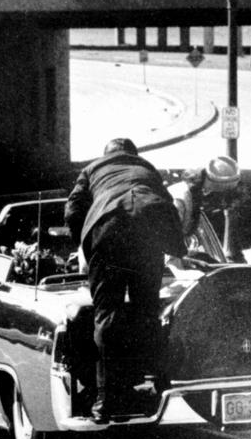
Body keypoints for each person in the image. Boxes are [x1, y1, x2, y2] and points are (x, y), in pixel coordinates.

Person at [65, 138, 186, 423]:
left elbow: (72, 211)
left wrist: (84, 245)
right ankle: (160, 390)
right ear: (133, 154)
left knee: (108, 316)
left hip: (108, 231)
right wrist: (176, 250)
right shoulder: (147, 168)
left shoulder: (93, 169)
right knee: (148, 313)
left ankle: (105, 403)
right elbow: (167, 207)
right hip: (149, 232)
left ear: (106, 154)